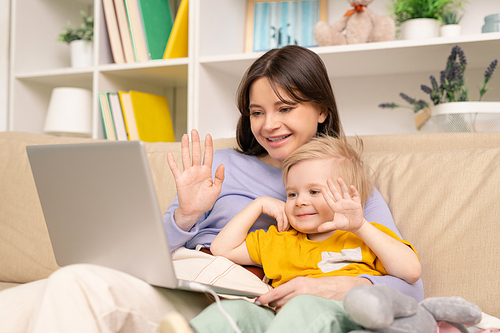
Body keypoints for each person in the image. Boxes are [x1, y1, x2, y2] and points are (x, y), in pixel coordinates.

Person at [0, 45, 423, 333]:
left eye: (285, 108)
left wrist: (344, 286)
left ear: (321, 110)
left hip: (223, 299)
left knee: (76, 284)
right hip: (176, 277)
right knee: (22, 300)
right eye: (257, 112)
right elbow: (145, 252)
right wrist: (185, 214)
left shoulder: (344, 182)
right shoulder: (218, 164)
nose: (269, 124)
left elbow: (409, 285)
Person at [190, 135, 421, 332]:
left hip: (346, 316)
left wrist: (360, 226)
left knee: (304, 307)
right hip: (281, 320)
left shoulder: (364, 236)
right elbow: (222, 249)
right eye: (291, 194)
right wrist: (258, 205)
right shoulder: (279, 241)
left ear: (349, 196)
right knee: (235, 311)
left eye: (313, 191)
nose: (300, 201)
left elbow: (411, 272)